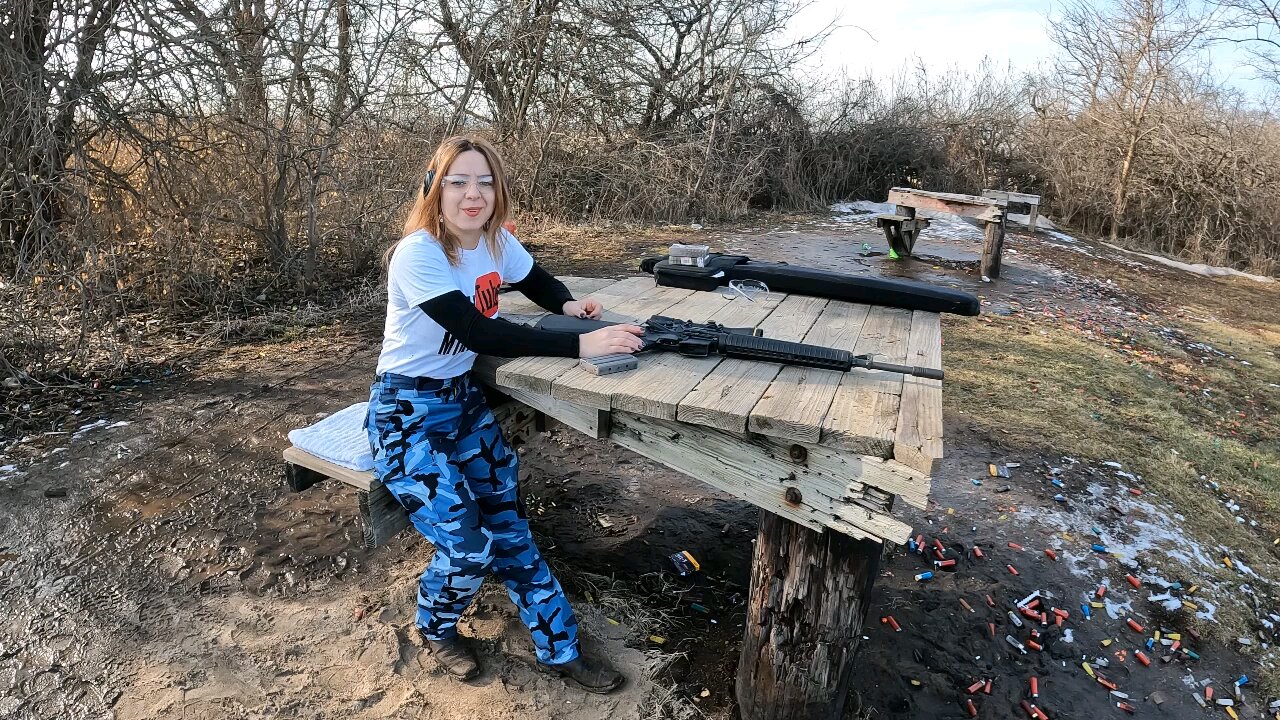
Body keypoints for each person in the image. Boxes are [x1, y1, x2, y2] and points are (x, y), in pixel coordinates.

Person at [365, 135, 642, 693]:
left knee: (510, 530)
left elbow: (535, 278)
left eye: (485, 182)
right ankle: (436, 628)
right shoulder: (418, 253)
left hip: (462, 405)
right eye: (459, 182)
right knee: (468, 547)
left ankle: (558, 649)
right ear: (434, 189)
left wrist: (567, 305)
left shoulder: (496, 242)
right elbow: (476, 329)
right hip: (404, 413)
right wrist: (581, 345)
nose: (474, 194)